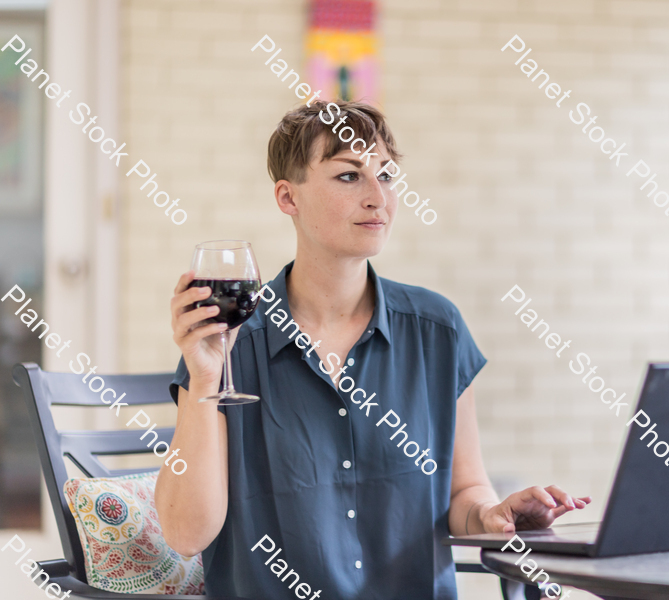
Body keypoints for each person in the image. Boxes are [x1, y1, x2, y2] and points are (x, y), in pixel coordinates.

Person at [156, 99, 590, 600]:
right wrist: (206, 379)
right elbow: (185, 535)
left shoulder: (436, 329)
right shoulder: (230, 343)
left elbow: (465, 493)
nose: (377, 197)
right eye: (348, 176)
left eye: (385, 175)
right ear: (287, 197)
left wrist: (493, 514)